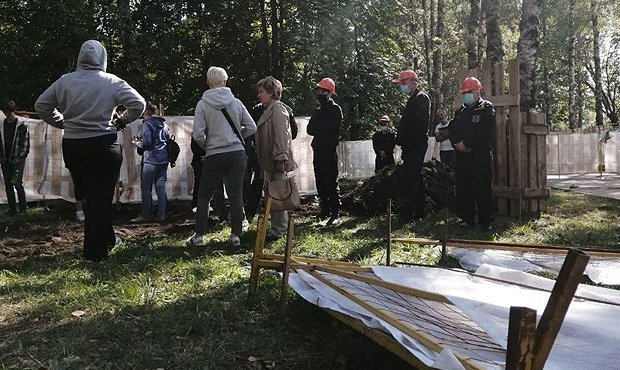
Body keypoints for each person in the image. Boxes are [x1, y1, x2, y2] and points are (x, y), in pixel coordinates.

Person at [35, 40, 146, 262]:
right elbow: (139, 104)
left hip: (74, 146)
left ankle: (109, 240)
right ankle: (94, 255)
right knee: (100, 199)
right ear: (103, 58)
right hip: (104, 145)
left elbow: (41, 105)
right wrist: (121, 121)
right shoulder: (112, 81)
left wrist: (62, 123)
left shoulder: (65, 81)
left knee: (91, 198)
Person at [186, 66, 256, 248]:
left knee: (204, 196)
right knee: (235, 195)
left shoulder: (202, 104)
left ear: (208, 82)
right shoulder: (236, 102)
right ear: (225, 81)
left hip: (214, 155)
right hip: (237, 154)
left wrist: (209, 146)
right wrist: (236, 137)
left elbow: (198, 135)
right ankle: (236, 236)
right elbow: (252, 127)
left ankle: (199, 236)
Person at [448, 77, 495, 230]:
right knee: (463, 187)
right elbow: (452, 130)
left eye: (470, 92)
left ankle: (485, 221)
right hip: (462, 156)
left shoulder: (487, 109)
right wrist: (457, 144)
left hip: (479, 156)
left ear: (478, 91)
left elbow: (486, 133)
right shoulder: (461, 111)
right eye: (465, 92)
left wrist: (468, 144)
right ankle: (466, 218)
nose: (467, 95)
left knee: (482, 188)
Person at [254, 76, 298, 239]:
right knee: (273, 194)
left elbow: (282, 136)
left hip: (277, 162)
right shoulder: (271, 109)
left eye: (262, 92)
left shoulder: (278, 109)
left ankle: (280, 229)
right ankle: (277, 227)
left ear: (272, 92)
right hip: (270, 162)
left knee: (278, 194)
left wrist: (280, 159)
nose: (259, 95)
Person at [394, 70, 430, 221]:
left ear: (413, 81)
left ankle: (409, 213)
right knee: (415, 178)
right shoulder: (412, 99)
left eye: (404, 83)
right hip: (410, 146)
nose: (402, 86)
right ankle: (419, 211)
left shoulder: (421, 98)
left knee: (411, 178)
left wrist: (405, 138)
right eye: (401, 83)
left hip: (416, 145)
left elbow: (420, 125)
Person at [307, 77, 343, 226]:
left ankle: (335, 212)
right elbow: (310, 129)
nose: (319, 93)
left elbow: (329, 127)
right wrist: (321, 127)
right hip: (318, 151)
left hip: (329, 151)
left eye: (322, 90)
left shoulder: (335, 109)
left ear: (329, 92)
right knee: (320, 182)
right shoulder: (319, 111)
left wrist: (319, 127)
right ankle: (325, 210)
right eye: (318, 90)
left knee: (330, 182)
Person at [131, 102, 169, 223]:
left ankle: (146, 215)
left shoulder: (148, 124)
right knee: (161, 187)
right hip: (164, 159)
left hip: (151, 159)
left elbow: (147, 143)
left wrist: (138, 144)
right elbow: (167, 138)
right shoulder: (164, 124)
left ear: (146, 112)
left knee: (146, 188)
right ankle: (162, 214)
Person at [0, 100, 30, 216]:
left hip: (17, 160)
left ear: (14, 111)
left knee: (17, 183)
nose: (8, 116)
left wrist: (20, 157)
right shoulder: (2, 125)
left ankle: (23, 209)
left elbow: (25, 145)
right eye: (7, 113)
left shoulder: (22, 125)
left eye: (10, 113)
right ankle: (12, 209)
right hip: (5, 160)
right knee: (8, 185)